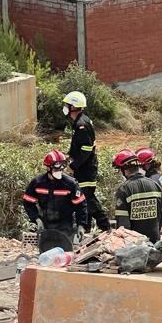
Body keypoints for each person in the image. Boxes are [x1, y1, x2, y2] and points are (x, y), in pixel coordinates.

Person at [62, 91, 109, 231]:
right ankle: (86, 228)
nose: (64, 107)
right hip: (85, 167)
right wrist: (69, 156)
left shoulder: (81, 125)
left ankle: (105, 225)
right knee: (84, 198)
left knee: (87, 198)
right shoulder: (81, 121)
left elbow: (86, 149)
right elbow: (79, 146)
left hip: (85, 169)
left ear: (73, 106)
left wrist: (73, 166)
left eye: (67, 105)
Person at [22, 150, 88, 250]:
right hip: (45, 226)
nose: (59, 172)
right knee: (46, 254)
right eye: (56, 169)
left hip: (66, 227)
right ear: (48, 167)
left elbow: (81, 205)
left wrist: (81, 225)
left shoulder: (70, 184)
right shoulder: (37, 183)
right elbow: (28, 202)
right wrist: (36, 219)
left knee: (64, 254)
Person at [112, 149, 162, 242]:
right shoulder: (154, 184)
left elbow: (123, 223)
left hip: (135, 244)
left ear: (124, 170)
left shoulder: (124, 190)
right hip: (154, 240)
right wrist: (157, 228)